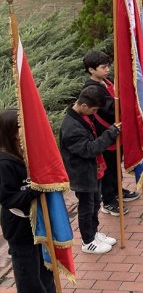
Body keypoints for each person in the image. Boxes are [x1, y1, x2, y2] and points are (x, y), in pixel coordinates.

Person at [59, 85, 121, 254]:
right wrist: (111, 133)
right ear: (84, 106)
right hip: (82, 174)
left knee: (95, 203)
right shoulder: (72, 128)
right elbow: (90, 149)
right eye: (93, 110)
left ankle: (94, 233)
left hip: (93, 170)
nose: (95, 113)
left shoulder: (83, 116)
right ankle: (87, 241)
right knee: (86, 207)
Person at [0, 109, 56, 292]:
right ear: (10, 132)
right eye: (20, 127)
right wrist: (34, 189)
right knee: (28, 277)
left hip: (40, 222)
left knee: (46, 270)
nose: (26, 130)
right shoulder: (4, 164)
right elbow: (8, 199)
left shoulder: (27, 151)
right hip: (21, 229)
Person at [82, 51, 141, 215]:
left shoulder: (106, 81)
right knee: (108, 167)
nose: (107, 70)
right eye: (103, 67)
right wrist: (125, 101)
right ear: (91, 70)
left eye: (108, 66)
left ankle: (117, 190)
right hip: (105, 133)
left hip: (116, 131)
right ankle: (108, 200)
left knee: (116, 164)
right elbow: (110, 109)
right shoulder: (93, 89)